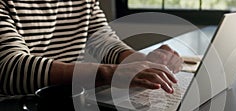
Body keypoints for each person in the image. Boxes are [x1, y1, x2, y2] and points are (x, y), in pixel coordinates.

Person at [0, 0, 183, 96]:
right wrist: (108, 73)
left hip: (72, 108)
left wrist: (143, 62)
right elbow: (8, 68)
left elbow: (102, 40)